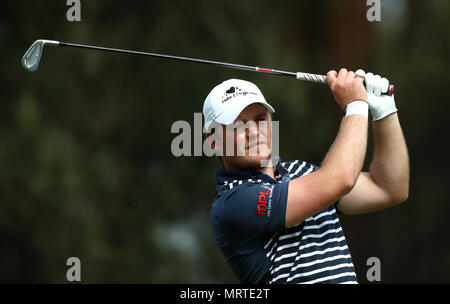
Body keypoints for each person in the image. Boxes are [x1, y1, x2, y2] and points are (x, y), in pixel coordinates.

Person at [203, 69, 409, 284]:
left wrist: (385, 114)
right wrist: (356, 106)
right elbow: (342, 179)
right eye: (238, 125)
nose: (254, 132)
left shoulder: (303, 172)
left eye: (260, 119)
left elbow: (388, 189)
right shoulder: (233, 203)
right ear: (214, 141)